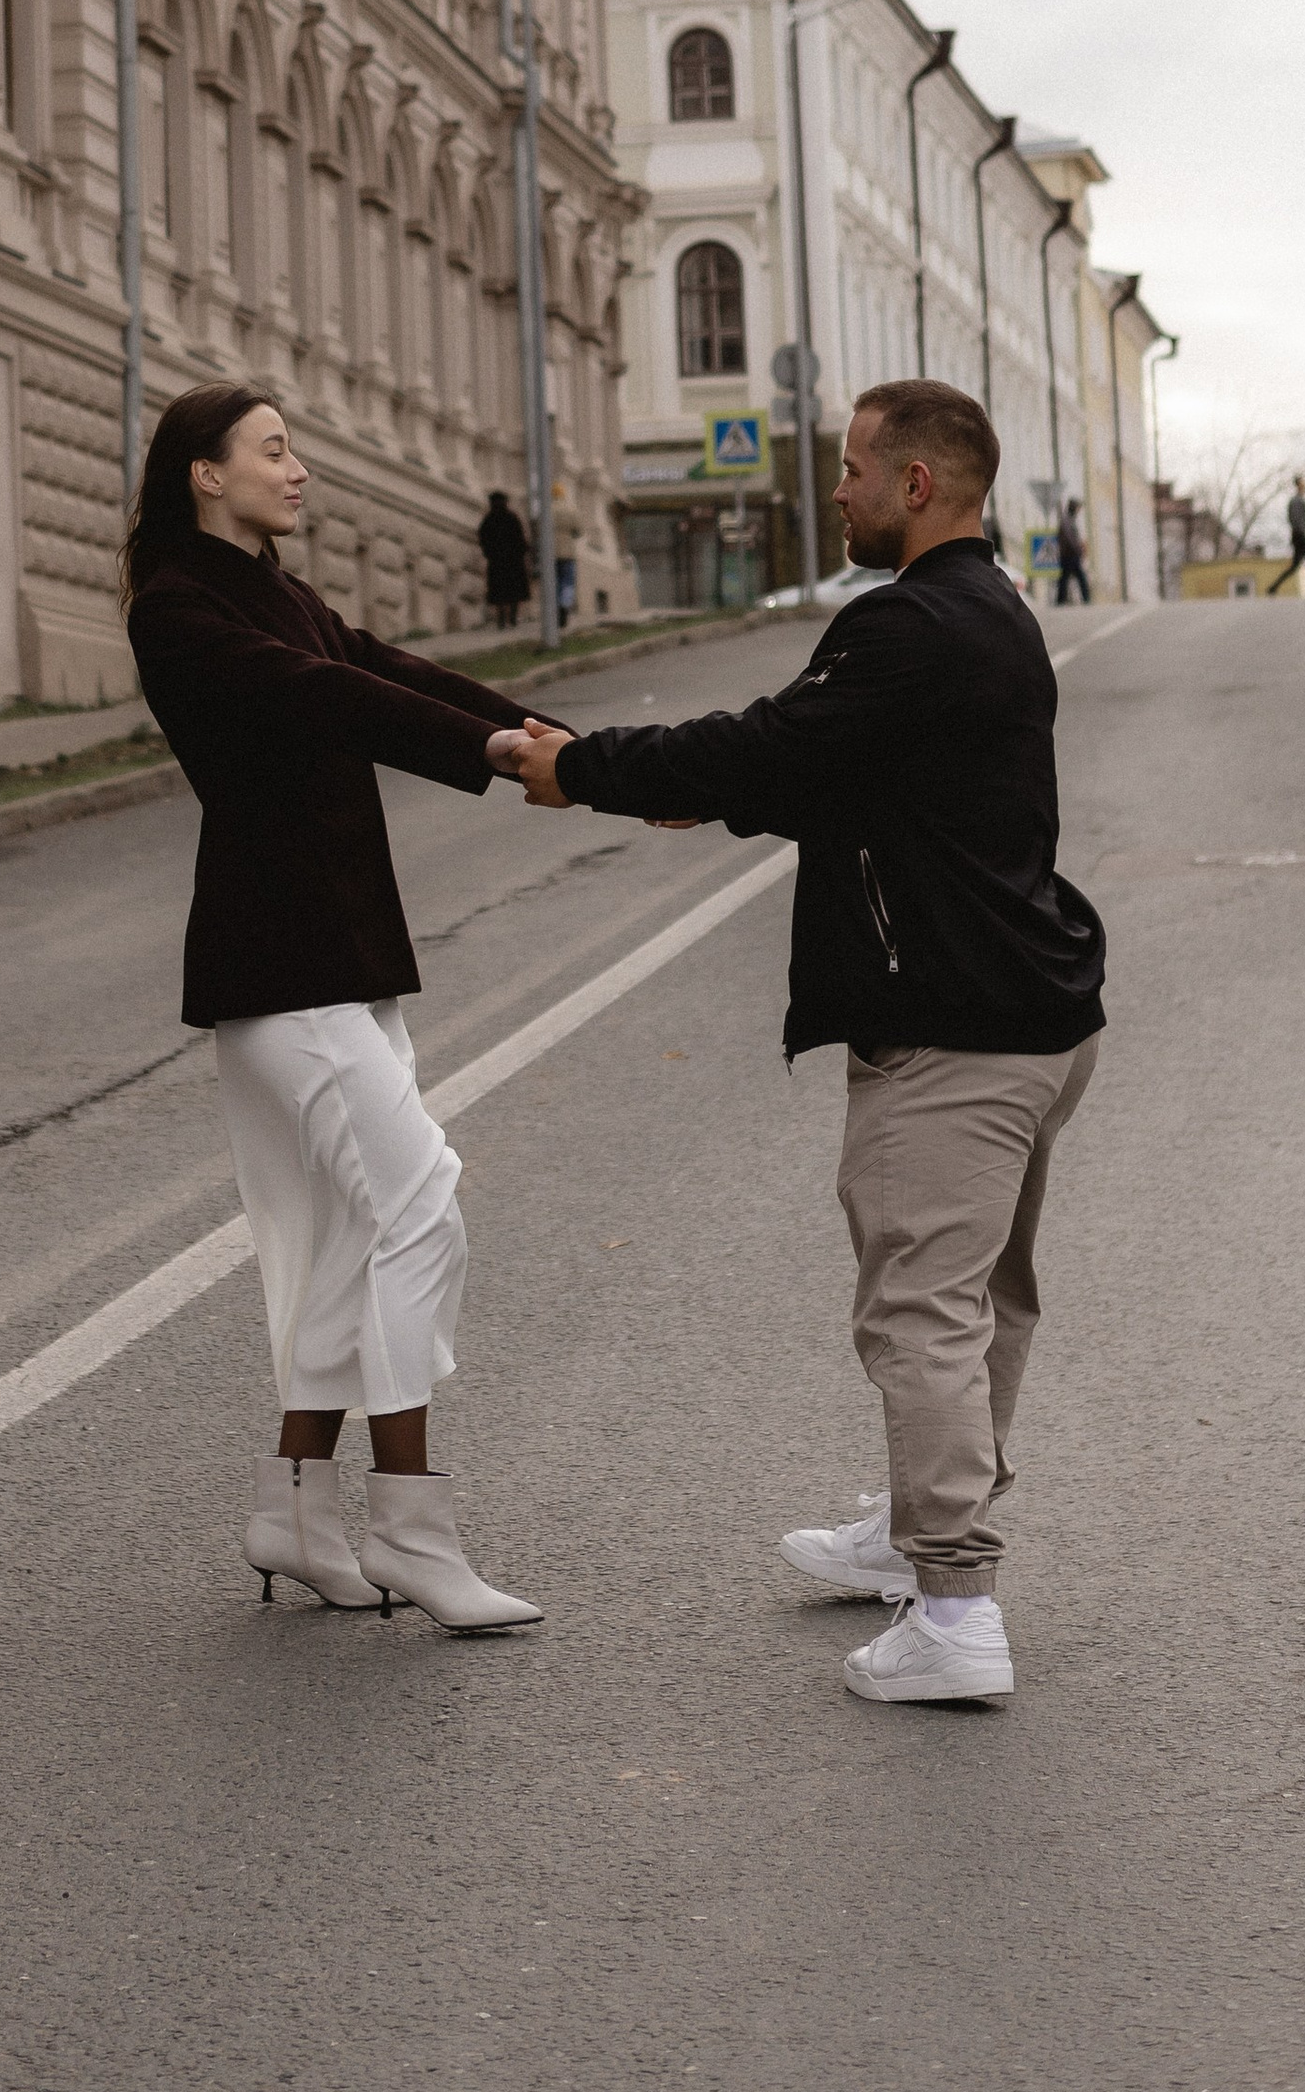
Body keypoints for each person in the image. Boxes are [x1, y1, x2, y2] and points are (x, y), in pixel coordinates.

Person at [491, 379, 1106, 1707]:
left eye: (852, 469)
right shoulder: (990, 613)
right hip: (1033, 1013)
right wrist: (717, 795)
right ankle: (914, 1530)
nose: (836, 491)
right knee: (983, 1299)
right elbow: (854, 775)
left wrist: (584, 770)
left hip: (950, 1029)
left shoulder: (906, 623)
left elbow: (771, 745)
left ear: (916, 486)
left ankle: (953, 1606)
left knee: (922, 1315)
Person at [126, 385, 546, 1633]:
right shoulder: (179, 609)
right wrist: (497, 757)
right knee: (419, 1206)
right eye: (273, 450)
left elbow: (390, 670)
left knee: (356, 1235)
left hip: (335, 959)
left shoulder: (283, 594)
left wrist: (555, 744)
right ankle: (409, 1527)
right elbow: (333, 699)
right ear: (205, 475)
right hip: (279, 966)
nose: (297, 469)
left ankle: (296, 1511)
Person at [477, 489, 530, 629]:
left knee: (498, 591)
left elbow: (483, 538)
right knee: (514, 590)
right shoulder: (511, 517)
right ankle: (512, 617)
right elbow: (520, 538)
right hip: (513, 561)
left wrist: (489, 553)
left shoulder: (489, 519)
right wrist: (522, 552)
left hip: (497, 561)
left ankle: (501, 618)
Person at [1054, 493, 1090, 606]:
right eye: (1078, 508)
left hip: (1068, 554)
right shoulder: (1067, 521)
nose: (1079, 511)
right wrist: (1078, 549)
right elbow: (1070, 539)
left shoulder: (1069, 520)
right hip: (1070, 555)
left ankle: (1060, 600)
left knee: (1065, 578)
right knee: (1080, 577)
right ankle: (1085, 598)